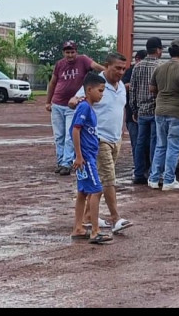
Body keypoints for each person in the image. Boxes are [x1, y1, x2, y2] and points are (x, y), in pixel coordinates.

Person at [69, 53, 134, 235]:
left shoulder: (120, 86)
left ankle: (88, 217)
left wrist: (120, 132)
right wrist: (74, 101)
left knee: (98, 181)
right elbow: (75, 102)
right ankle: (116, 218)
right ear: (107, 66)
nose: (121, 72)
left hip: (115, 139)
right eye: (117, 68)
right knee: (108, 180)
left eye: (124, 69)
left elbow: (119, 109)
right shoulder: (95, 84)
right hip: (99, 140)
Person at [45, 41, 104, 176]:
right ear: (63, 53)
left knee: (70, 135)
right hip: (58, 103)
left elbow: (94, 66)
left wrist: (108, 72)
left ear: (76, 52)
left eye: (72, 52)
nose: (70, 55)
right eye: (67, 52)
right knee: (59, 136)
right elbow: (53, 82)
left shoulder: (83, 60)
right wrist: (48, 101)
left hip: (73, 105)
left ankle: (67, 163)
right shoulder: (60, 64)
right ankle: (60, 162)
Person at [147, 39, 179, 191]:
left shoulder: (159, 68)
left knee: (160, 146)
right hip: (177, 113)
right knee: (173, 147)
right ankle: (169, 180)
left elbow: (152, 89)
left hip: (160, 111)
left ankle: (154, 178)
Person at [68, 73, 113, 245]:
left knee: (82, 192)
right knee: (96, 191)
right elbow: (75, 130)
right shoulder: (84, 107)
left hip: (87, 156)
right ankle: (95, 231)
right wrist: (79, 156)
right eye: (100, 91)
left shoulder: (87, 107)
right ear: (89, 89)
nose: (102, 94)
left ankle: (78, 227)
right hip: (86, 158)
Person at [129, 37, 164, 184]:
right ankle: (153, 173)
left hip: (141, 112)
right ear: (158, 50)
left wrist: (134, 109)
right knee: (155, 143)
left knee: (140, 143)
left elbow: (132, 89)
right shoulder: (161, 66)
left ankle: (138, 173)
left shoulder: (137, 66)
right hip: (156, 111)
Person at [123, 50, 148, 166]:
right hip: (132, 115)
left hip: (147, 113)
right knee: (136, 142)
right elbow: (122, 87)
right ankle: (138, 168)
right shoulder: (130, 71)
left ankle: (146, 167)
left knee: (147, 143)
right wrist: (136, 84)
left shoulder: (150, 71)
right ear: (137, 60)